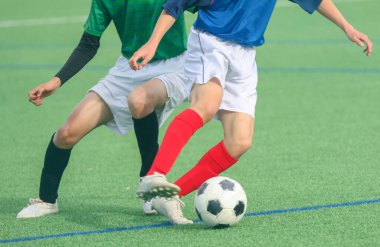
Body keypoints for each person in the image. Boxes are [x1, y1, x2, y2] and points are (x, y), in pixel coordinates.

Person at [128, 0, 373, 224]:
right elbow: (175, 5)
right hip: (211, 42)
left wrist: (347, 27)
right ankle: (155, 174)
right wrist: (152, 44)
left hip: (245, 54)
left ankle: (168, 196)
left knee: (239, 142)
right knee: (205, 105)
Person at [16, 0, 191, 220]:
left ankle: (150, 185)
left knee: (139, 100)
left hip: (173, 66)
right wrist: (57, 81)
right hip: (130, 66)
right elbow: (89, 43)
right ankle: (46, 200)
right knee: (66, 133)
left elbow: (205, 6)